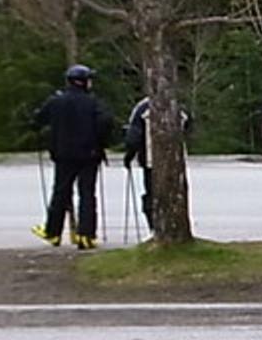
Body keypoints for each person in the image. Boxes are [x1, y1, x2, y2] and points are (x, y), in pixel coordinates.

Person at [31, 64, 115, 248]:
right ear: (84, 82)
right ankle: (86, 235)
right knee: (87, 194)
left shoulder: (56, 101)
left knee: (61, 192)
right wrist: (101, 142)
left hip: (63, 154)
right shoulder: (93, 102)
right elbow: (106, 121)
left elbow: (37, 119)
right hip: (89, 154)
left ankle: (52, 232)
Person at [122, 96, 190, 230]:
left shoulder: (142, 108)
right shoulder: (179, 107)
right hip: (176, 162)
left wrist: (129, 156)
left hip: (150, 161)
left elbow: (133, 136)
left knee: (152, 195)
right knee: (175, 194)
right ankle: (175, 227)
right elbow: (187, 128)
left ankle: (155, 227)